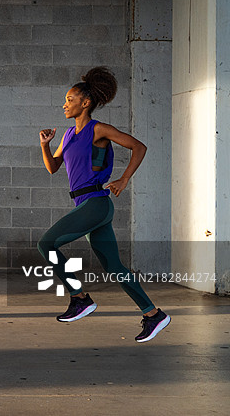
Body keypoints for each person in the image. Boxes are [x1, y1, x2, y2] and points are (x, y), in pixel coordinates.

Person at [37, 66, 170, 343]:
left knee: (46, 244)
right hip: (85, 205)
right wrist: (45, 146)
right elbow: (53, 168)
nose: (65, 104)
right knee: (115, 267)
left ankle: (79, 297)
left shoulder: (99, 129)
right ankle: (153, 314)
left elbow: (139, 147)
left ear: (85, 102)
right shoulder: (68, 135)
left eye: (70, 99)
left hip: (97, 204)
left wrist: (123, 179)